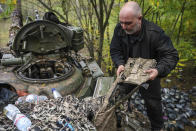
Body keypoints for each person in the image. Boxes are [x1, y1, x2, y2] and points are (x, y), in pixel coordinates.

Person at [110, 1, 179, 131]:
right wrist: (119, 64)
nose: (123, 27)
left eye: (128, 23)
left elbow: (171, 55)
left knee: (153, 104)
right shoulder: (119, 29)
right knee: (118, 96)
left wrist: (158, 71)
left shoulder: (155, 33)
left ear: (139, 18)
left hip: (148, 75)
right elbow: (115, 49)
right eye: (121, 22)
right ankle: (124, 118)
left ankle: (157, 128)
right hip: (127, 71)